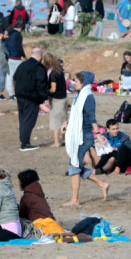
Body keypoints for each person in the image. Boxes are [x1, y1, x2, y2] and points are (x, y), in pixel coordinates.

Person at [63, 71, 110, 206]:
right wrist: (66, 123)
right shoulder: (79, 95)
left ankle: (75, 199)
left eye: (76, 81)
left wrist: (98, 134)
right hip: (78, 133)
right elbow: (74, 113)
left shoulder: (88, 97)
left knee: (74, 164)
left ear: (83, 82)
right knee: (75, 164)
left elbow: (92, 117)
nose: (74, 83)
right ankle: (102, 184)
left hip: (84, 135)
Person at [13, 46, 50, 151]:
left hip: (20, 96)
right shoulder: (38, 67)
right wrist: (45, 99)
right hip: (31, 97)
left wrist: (15, 91)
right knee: (29, 120)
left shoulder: (22, 65)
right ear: (40, 55)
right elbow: (41, 84)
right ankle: (25, 143)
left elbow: (14, 78)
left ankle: (24, 140)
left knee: (23, 118)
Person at [44, 52, 67, 147]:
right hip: (64, 97)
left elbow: (53, 89)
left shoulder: (52, 73)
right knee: (64, 120)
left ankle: (56, 142)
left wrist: (45, 92)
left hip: (57, 100)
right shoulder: (59, 69)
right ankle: (64, 140)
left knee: (55, 121)